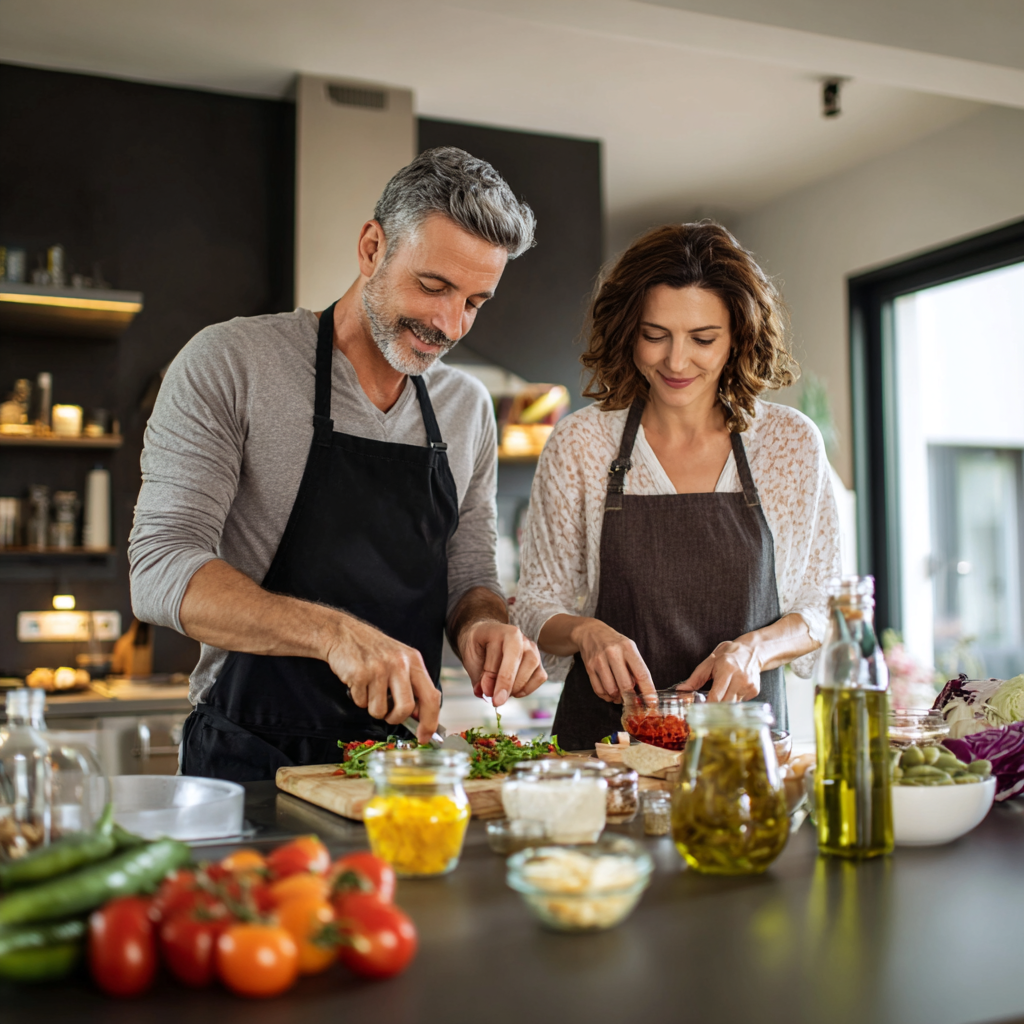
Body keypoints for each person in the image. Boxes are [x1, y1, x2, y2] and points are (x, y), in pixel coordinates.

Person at [129, 147, 547, 781]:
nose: (448, 324)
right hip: (248, 753)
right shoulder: (232, 361)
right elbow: (161, 567)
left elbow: (469, 575)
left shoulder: (467, 409)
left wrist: (485, 626)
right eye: (433, 286)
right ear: (372, 247)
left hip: (399, 765)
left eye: (474, 302)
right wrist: (336, 636)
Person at [512, 222, 840, 749]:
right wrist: (584, 633)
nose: (676, 361)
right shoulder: (581, 443)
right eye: (655, 335)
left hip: (740, 751)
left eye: (703, 339)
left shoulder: (789, 444)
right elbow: (535, 606)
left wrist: (756, 650)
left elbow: (822, 605)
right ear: (627, 331)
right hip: (604, 753)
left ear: (738, 337)